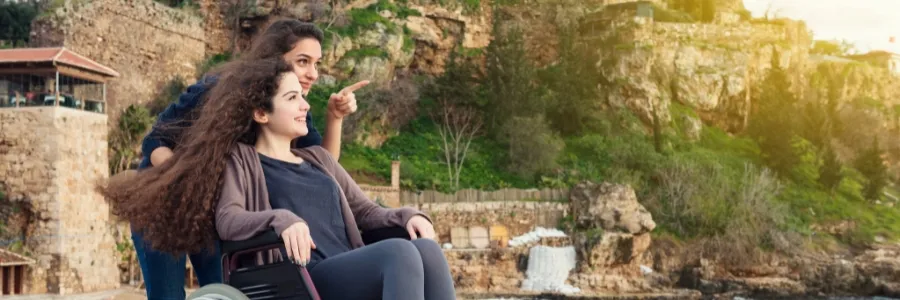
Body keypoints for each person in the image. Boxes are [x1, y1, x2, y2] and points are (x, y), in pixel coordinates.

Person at [104, 57, 456, 299]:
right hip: (303, 276)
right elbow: (228, 219)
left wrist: (407, 215)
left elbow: (366, 212)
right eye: (292, 98)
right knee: (399, 254)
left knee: (424, 248)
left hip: (351, 265)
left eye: (302, 97)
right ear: (261, 113)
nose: (305, 105)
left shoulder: (318, 159)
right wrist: (281, 219)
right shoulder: (240, 160)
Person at [129, 19, 367, 299]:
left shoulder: (290, 105)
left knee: (229, 292)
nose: (313, 73)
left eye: (317, 64)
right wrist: (184, 180)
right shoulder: (218, 88)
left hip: (213, 212)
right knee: (168, 296)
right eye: (303, 61)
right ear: (273, 60)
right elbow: (155, 140)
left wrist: (334, 118)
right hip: (164, 204)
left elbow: (322, 166)